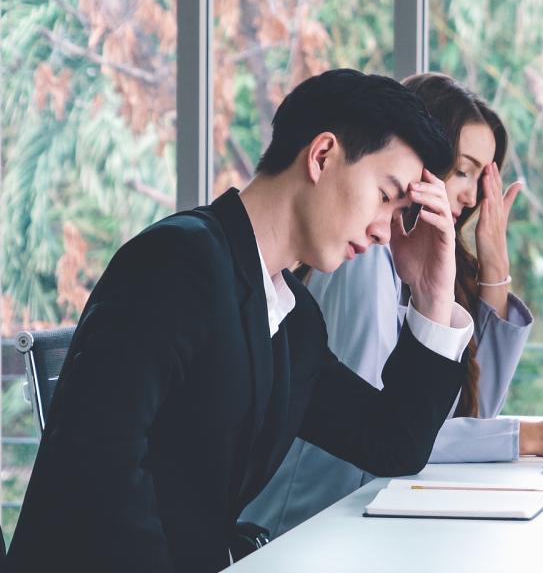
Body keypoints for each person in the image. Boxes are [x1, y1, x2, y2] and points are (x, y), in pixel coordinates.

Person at [7, 69, 472, 572]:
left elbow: (390, 442)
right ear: (322, 156)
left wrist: (431, 291)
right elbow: (99, 474)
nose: (386, 231)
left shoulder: (293, 320)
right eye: (386, 196)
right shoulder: (177, 262)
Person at [242, 73, 543, 537]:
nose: (472, 195)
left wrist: (486, 269)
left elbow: (449, 419)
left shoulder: (394, 266)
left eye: (481, 179)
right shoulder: (358, 257)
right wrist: (534, 436)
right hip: (306, 526)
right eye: (462, 170)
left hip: (352, 522)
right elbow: (375, 433)